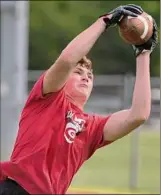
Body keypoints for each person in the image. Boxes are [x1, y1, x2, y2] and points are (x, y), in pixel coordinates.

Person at [0, 4, 158, 195]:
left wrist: (143, 53)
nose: (86, 77)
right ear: (63, 77)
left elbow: (138, 115)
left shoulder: (92, 127)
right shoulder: (47, 98)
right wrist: (104, 21)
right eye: (78, 72)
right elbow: (67, 60)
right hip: (14, 189)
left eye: (90, 76)